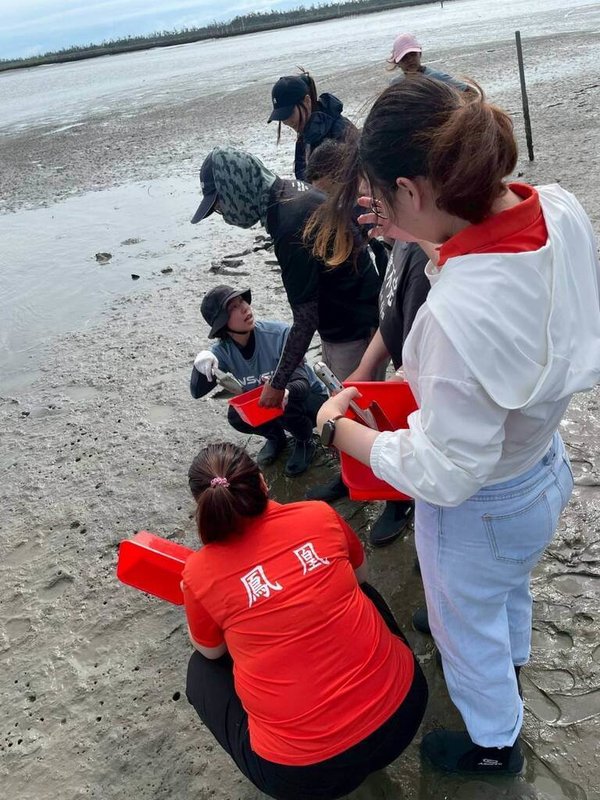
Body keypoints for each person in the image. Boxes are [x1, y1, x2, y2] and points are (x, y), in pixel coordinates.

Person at [309, 75, 600, 773]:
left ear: (412, 189)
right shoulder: (558, 208)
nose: (377, 212)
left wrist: (340, 432)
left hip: (483, 504)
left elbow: (446, 473)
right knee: (507, 588)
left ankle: (496, 744)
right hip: (543, 466)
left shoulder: (451, 317)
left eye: (379, 197)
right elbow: (511, 292)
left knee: (463, 631)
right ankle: (517, 657)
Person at [182, 442, 428, 800]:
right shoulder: (319, 515)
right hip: (403, 715)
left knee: (200, 671)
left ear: (201, 506)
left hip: (304, 776)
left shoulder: (199, 573)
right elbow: (360, 575)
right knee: (363, 593)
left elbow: (211, 650)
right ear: (262, 483)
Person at [191, 146, 382, 502]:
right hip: (357, 308)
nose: (223, 214)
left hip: (353, 322)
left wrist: (277, 383)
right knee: (352, 400)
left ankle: (385, 494)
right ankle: (355, 475)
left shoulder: (288, 222)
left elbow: (304, 317)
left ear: (237, 187)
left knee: (360, 408)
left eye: (220, 205)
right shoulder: (291, 192)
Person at [191, 285, 327, 476]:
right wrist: (200, 364)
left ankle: (304, 440)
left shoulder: (279, 334)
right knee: (236, 415)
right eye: (233, 308)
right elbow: (197, 392)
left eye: (243, 302)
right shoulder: (222, 352)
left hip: (310, 402)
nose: (245, 308)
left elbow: (302, 384)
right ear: (222, 324)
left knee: (284, 405)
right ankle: (276, 437)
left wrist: (283, 390)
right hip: (273, 404)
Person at [268, 71, 357, 181]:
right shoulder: (308, 133)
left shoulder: (339, 132)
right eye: (282, 117)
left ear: (307, 101)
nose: (287, 122)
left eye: (289, 114)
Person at [387, 33, 470, 92]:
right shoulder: (395, 85)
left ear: (420, 54)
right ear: (397, 62)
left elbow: (471, 92)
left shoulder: (436, 77)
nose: (410, 60)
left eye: (413, 54)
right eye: (404, 58)